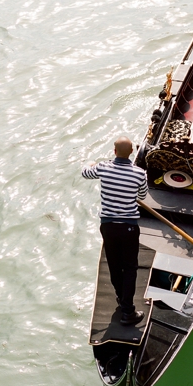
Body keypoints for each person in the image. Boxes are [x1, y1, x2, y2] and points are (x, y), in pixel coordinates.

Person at [82, 137, 149, 326]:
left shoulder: (103, 168)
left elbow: (85, 173)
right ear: (131, 153)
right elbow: (142, 195)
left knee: (114, 265)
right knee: (129, 268)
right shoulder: (139, 174)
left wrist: (90, 163)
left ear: (114, 151)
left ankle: (122, 299)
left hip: (108, 226)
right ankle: (128, 311)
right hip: (129, 227)